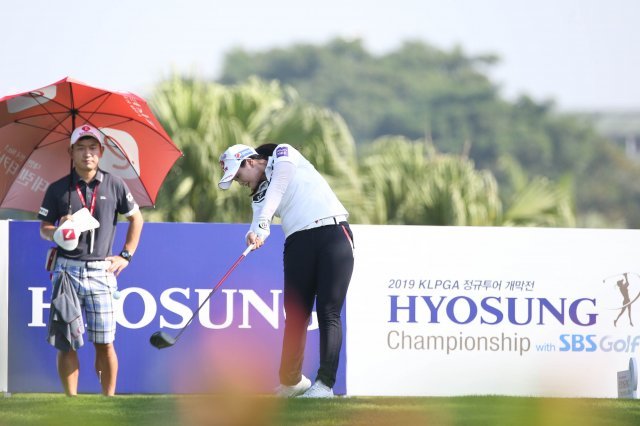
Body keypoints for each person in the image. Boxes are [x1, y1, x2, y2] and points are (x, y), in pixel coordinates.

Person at [218, 143, 354, 398]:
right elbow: (260, 220)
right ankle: (292, 381)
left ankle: (324, 384)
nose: (239, 183)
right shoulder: (259, 195)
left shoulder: (283, 153)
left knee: (328, 310)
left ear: (249, 162)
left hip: (332, 232)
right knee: (295, 312)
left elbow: (279, 185)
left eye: (237, 176)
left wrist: (263, 221)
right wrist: (254, 233)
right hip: (297, 241)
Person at [38, 124, 144, 396]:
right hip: (66, 271)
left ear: (101, 152)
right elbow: (43, 228)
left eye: (93, 148)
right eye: (81, 148)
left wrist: (126, 255)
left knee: (104, 342)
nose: (87, 154)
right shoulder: (59, 189)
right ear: (71, 151)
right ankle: (70, 402)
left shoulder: (115, 184)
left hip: (101, 270)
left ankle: (107, 401)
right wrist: (58, 231)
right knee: (67, 342)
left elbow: (136, 218)